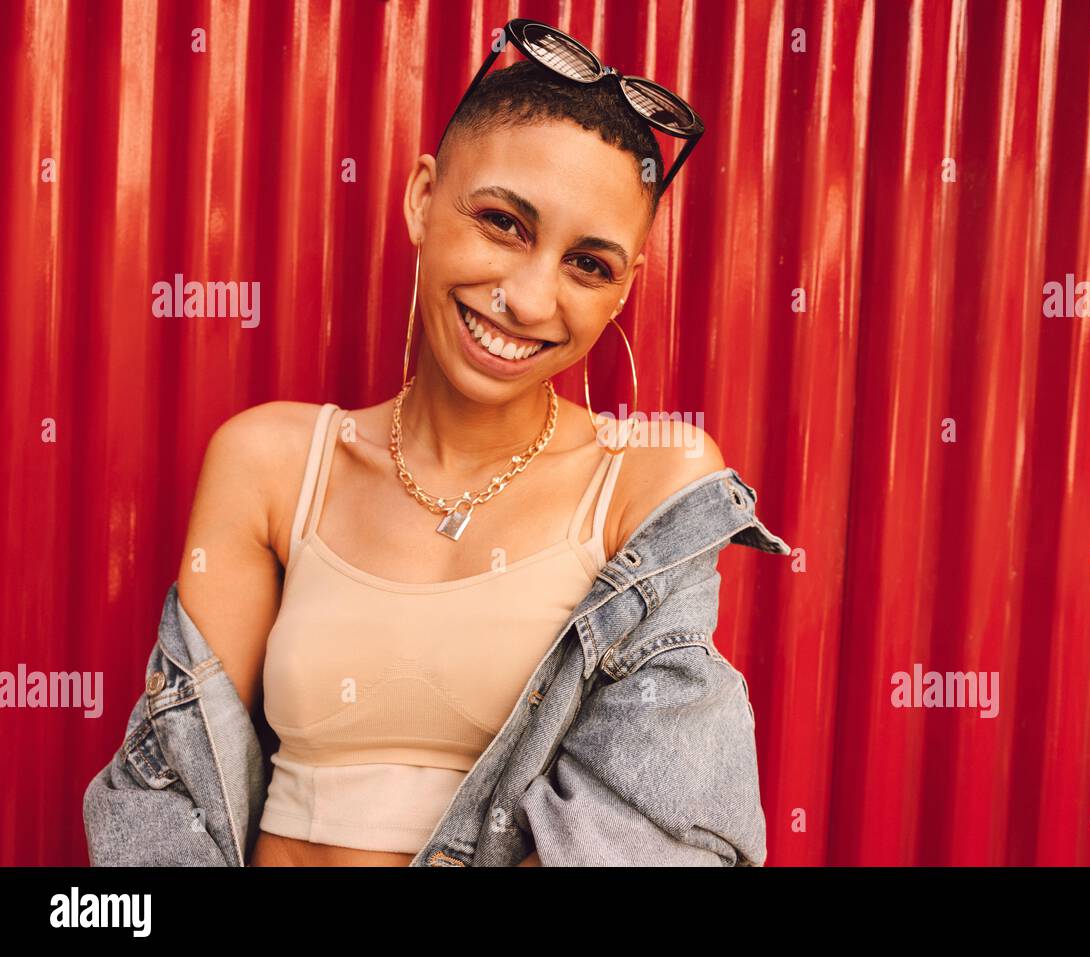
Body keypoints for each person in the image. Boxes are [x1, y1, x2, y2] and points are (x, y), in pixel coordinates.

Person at [168, 44, 763, 867]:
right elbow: (173, 786)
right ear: (422, 198)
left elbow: (660, 825)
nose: (526, 297)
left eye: (588, 264)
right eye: (502, 223)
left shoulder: (651, 483)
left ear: (624, 288)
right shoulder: (271, 461)